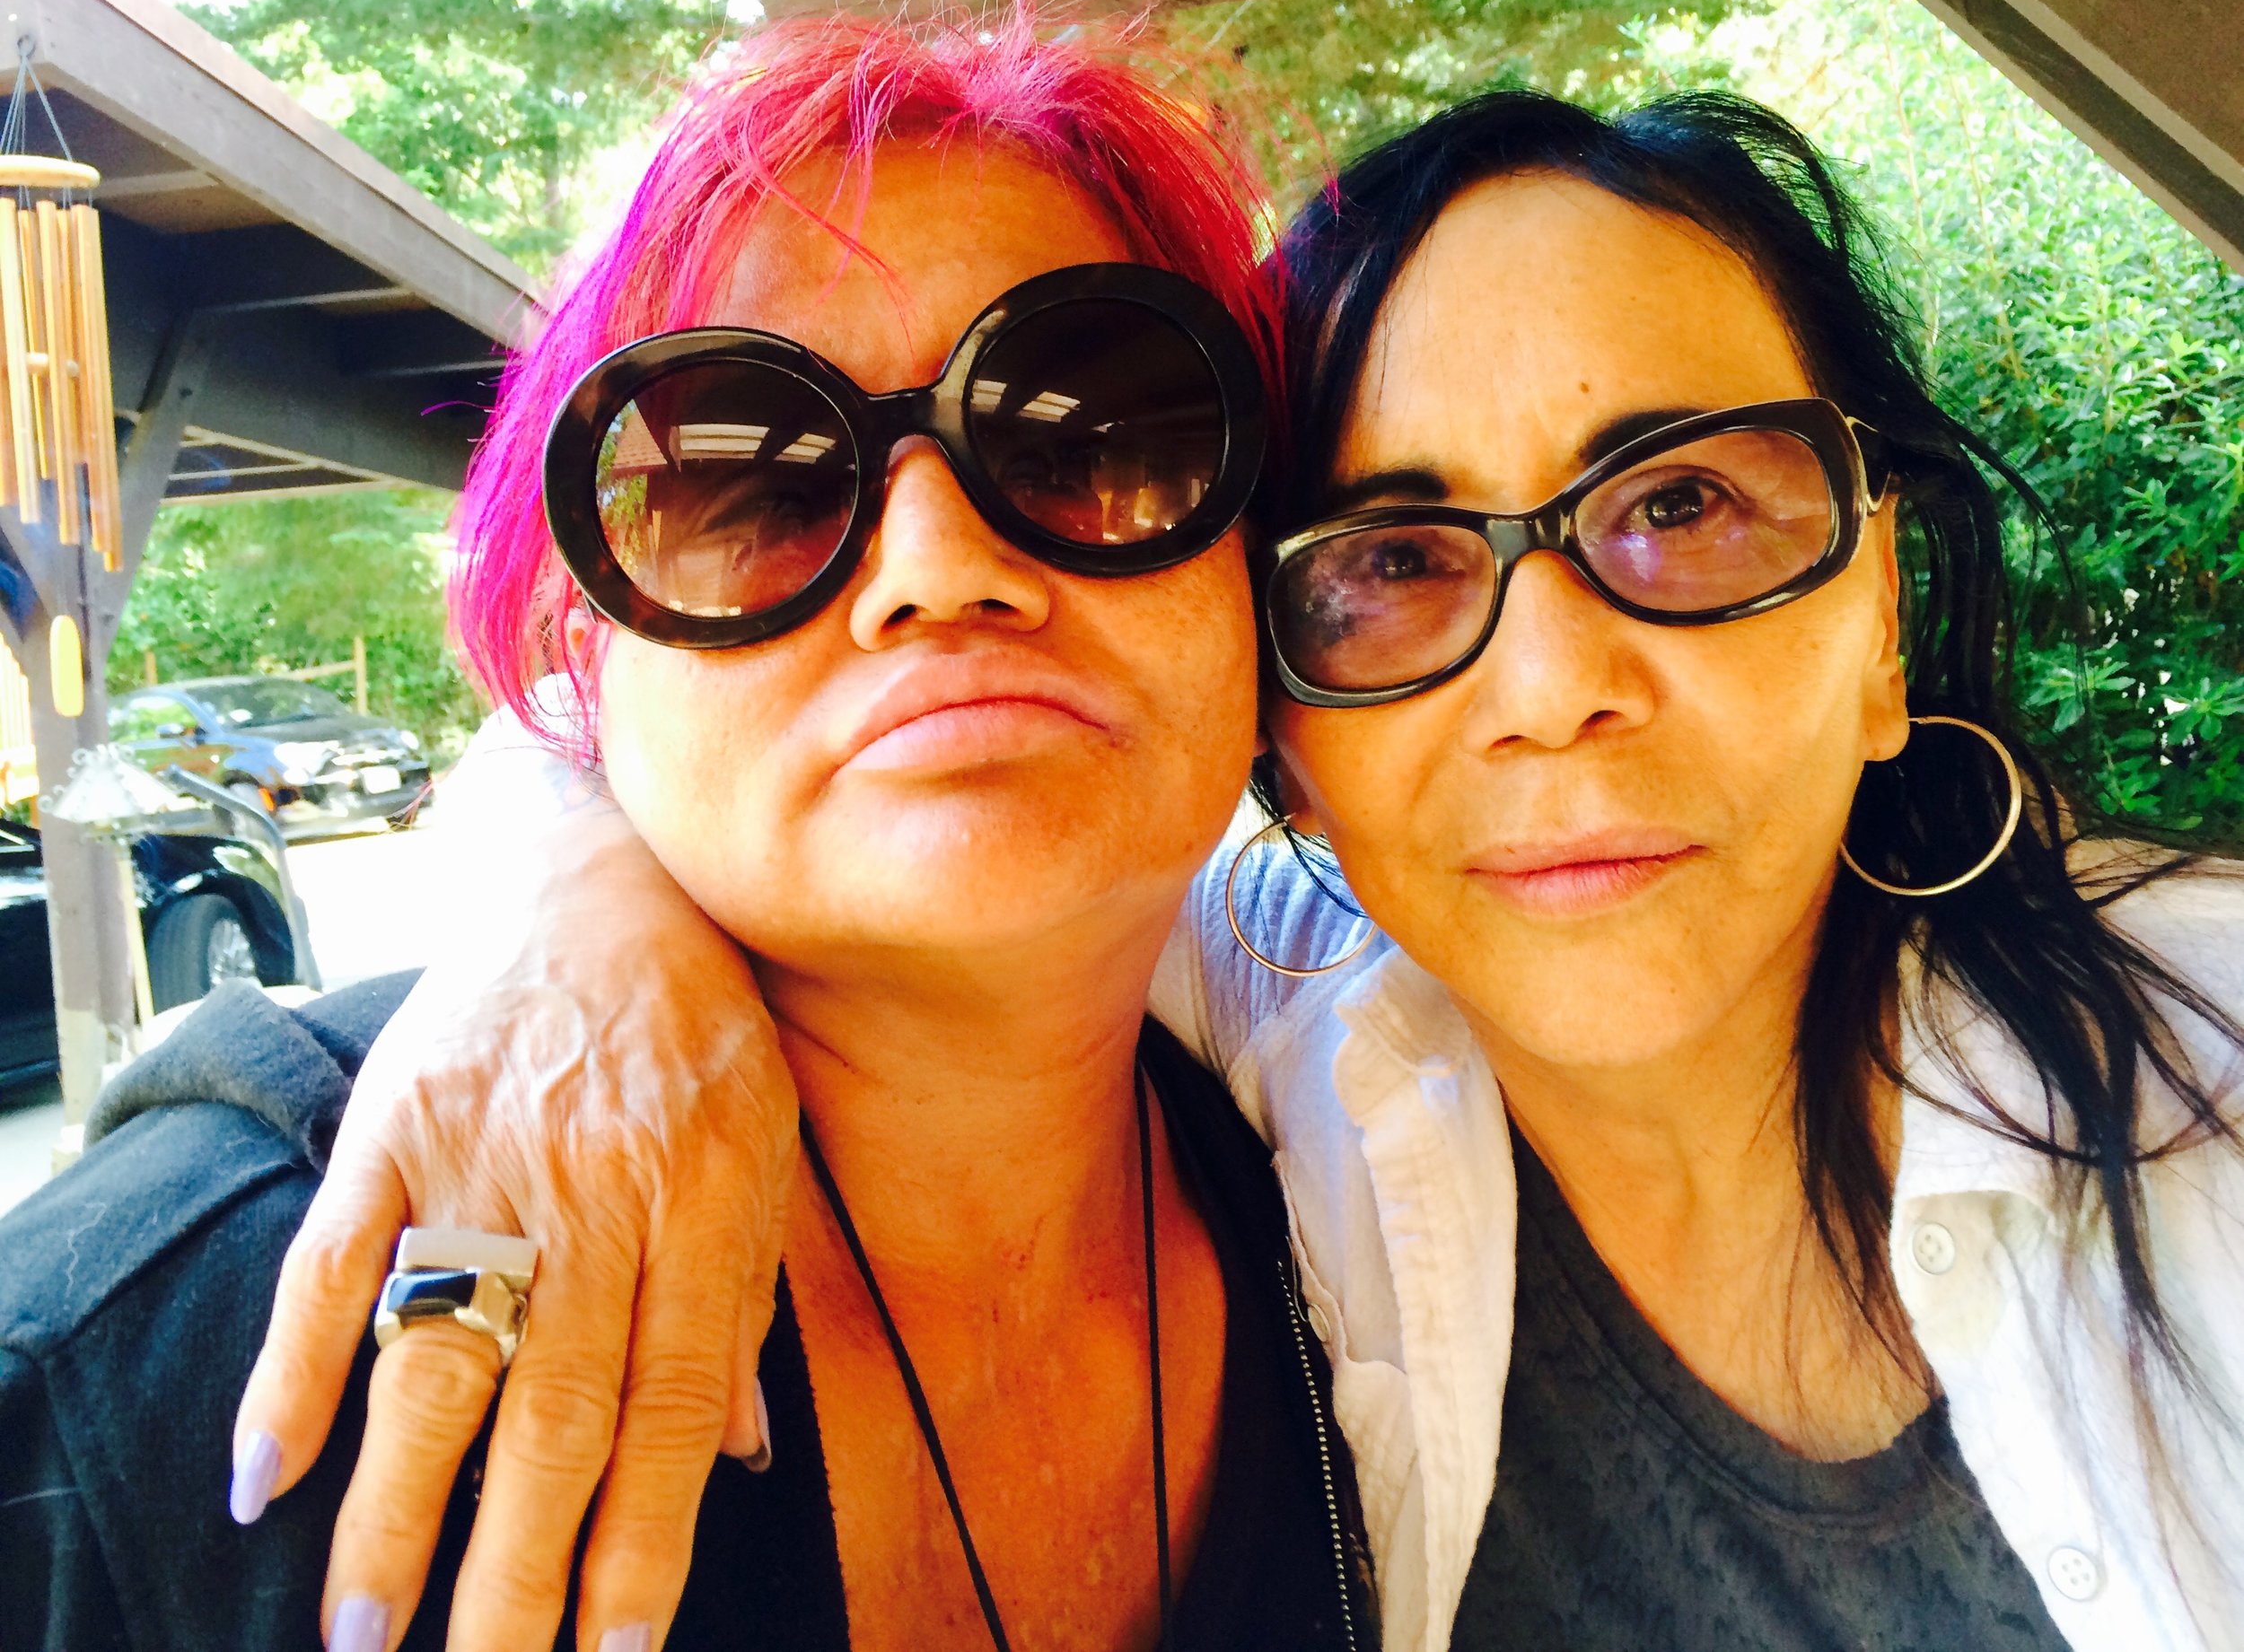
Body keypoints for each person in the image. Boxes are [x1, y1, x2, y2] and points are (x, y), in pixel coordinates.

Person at [212, 79, 2244, 1652]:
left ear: (1876, 617)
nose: (1547, 690)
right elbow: (841, 784)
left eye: (1683, 504)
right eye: (1387, 560)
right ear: (1280, 705)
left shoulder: (2211, 1087)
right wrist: (590, 920)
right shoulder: (1258, 1014)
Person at [0, 13, 1380, 1652]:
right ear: (585, 665)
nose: (938, 563)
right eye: (755, 490)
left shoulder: (1373, 1193)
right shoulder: (155, 1366)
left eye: (1092, 439)